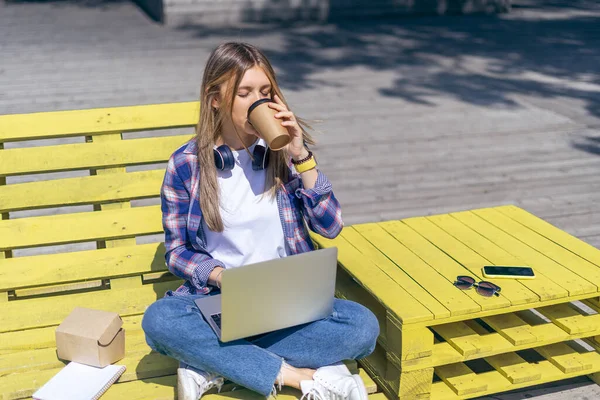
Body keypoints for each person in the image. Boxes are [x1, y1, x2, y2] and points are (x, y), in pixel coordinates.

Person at [141, 42, 380, 400]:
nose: (259, 103)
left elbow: (330, 226)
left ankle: (214, 361)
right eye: (245, 93)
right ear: (215, 99)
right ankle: (298, 376)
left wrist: (302, 157)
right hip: (220, 300)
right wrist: (221, 276)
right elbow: (176, 250)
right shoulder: (186, 165)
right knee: (160, 322)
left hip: (288, 302)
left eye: (265, 93)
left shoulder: (284, 155)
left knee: (363, 328)